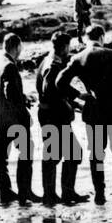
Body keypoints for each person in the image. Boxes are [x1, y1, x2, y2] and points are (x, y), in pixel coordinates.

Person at [57, 24, 112, 206]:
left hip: (93, 112)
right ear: (102, 37)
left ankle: (100, 193)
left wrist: (79, 95)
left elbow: (59, 82)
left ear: (86, 39)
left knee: (97, 153)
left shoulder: (78, 58)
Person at [35, 31, 88, 206]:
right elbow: (51, 90)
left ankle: (59, 194)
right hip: (54, 117)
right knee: (62, 155)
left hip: (51, 115)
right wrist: (77, 97)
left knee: (65, 154)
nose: (69, 49)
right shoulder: (53, 64)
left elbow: (53, 92)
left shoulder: (46, 61)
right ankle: (56, 194)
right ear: (64, 47)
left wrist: (73, 105)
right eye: (69, 46)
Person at [0, 34, 39, 206]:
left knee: (0, 158)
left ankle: (6, 193)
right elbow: (10, 92)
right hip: (13, 119)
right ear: (16, 47)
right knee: (26, 153)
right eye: (20, 48)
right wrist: (25, 101)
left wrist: (21, 97)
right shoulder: (9, 66)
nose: (21, 51)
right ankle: (25, 193)